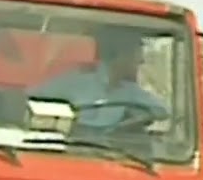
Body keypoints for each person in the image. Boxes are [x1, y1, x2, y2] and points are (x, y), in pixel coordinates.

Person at [28, 30, 170, 133]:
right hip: (72, 150)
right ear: (120, 55)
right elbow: (32, 96)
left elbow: (163, 111)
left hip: (113, 153)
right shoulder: (77, 80)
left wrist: (134, 113)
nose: (141, 61)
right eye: (136, 56)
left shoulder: (130, 92)